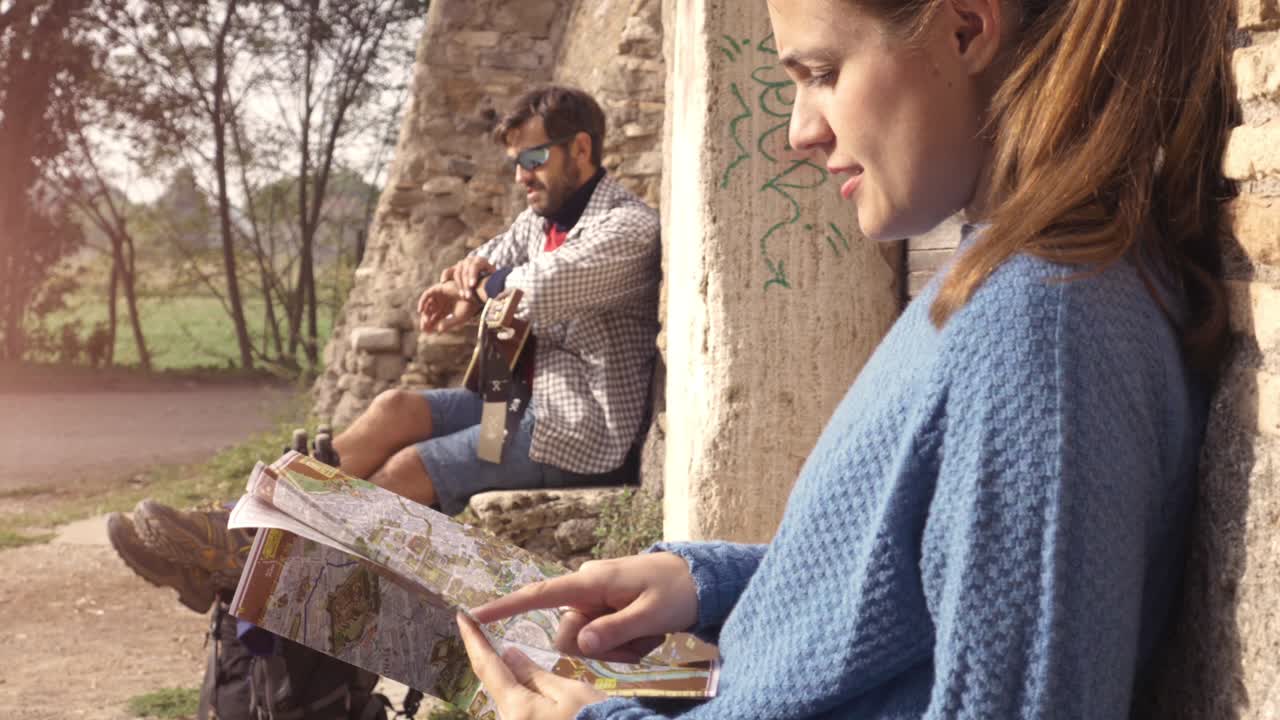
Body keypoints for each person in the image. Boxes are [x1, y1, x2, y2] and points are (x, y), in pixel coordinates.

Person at [455, 1, 1235, 719]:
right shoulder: (1006, 278)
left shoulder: (1041, 346)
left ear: (965, 28)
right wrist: (711, 584)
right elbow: (936, 580)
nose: (800, 130)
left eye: (824, 74)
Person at [109, 85, 662, 609]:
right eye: (516, 162)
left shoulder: (626, 228)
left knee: (406, 468)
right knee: (393, 407)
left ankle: (249, 566)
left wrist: (483, 283)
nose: (522, 175)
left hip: (577, 430)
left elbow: (534, 286)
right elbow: (486, 261)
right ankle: (234, 525)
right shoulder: (540, 222)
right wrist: (464, 281)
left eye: (534, 157)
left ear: (581, 149)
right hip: (516, 406)